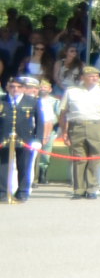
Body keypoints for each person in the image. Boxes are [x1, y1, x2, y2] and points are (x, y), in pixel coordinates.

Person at [56, 65, 100, 199]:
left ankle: (92, 189)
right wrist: (64, 132)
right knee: (78, 158)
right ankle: (78, 189)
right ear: (83, 78)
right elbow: (63, 113)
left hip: (97, 126)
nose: (94, 78)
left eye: (96, 76)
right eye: (91, 76)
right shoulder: (71, 91)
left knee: (95, 158)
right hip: (77, 126)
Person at [4, 73, 46, 202]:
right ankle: (2, 192)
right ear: (7, 88)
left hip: (25, 139)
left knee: (24, 166)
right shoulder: (2, 100)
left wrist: (38, 139)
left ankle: (22, 192)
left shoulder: (32, 101)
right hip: (4, 139)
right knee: (3, 167)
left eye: (18, 87)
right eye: (12, 86)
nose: (15, 89)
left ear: (23, 88)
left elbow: (40, 121)